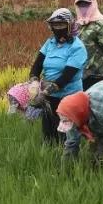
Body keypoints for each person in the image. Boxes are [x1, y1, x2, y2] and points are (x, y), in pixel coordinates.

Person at [28, 8, 88, 144]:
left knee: (66, 137)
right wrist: (34, 82)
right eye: (54, 25)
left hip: (68, 97)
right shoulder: (50, 43)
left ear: (70, 25)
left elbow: (65, 78)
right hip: (49, 98)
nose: (57, 28)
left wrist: (44, 93)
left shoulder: (77, 47)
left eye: (61, 25)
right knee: (48, 135)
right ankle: (50, 157)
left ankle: (68, 161)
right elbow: (37, 65)